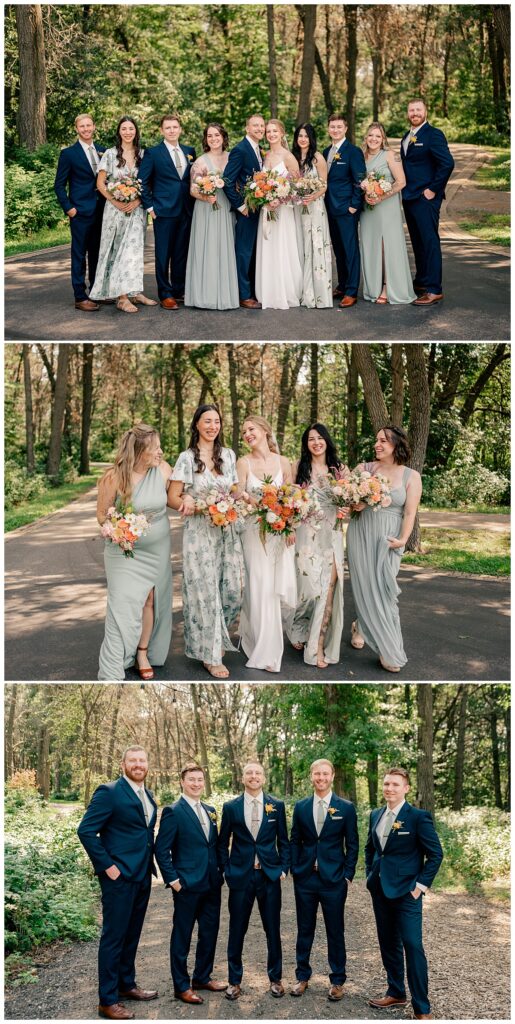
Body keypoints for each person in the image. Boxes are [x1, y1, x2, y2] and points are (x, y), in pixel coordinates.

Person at [77, 745, 158, 1021]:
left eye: (142, 760)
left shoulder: (147, 795)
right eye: (133, 760)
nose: (138, 764)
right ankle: (107, 1000)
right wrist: (108, 867)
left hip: (142, 876)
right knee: (113, 938)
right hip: (119, 878)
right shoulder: (109, 792)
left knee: (131, 934)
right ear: (123, 764)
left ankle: (127, 984)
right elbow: (86, 830)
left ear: (147, 765)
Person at [168, 404, 243, 678]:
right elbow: (172, 498)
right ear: (197, 425)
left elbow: (234, 489)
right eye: (207, 421)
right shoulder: (186, 458)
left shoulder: (229, 456)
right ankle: (211, 655)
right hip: (199, 534)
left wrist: (238, 498)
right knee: (205, 594)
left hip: (227, 532)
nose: (213, 426)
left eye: (216, 421)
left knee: (233, 590)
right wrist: (195, 503)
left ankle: (216, 638)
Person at [365, 767, 443, 1020]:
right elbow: (372, 849)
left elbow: (435, 854)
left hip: (408, 893)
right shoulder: (376, 814)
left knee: (412, 945)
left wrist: (419, 887)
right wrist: (370, 875)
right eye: (387, 784)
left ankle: (422, 1007)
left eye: (395, 785)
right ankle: (396, 992)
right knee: (388, 944)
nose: (389, 788)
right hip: (380, 890)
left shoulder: (418, 817)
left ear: (406, 788)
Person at [97, 423, 173, 681]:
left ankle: (142, 652)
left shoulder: (163, 470)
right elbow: (101, 514)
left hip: (157, 551)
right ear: (140, 452)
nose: (160, 452)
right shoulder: (114, 477)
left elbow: (174, 498)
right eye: (155, 448)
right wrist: (117, 530)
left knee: (150, 600)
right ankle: (113, 666)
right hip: (123, 553)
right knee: (122, 604)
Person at [345, 425, 422, 673]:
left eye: (383, 441)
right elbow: (347, 500)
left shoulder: (411, 476)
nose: (377, 444)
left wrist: (403, 539)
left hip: (389, 539)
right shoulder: (364, 470)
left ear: (397, 445)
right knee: (365, 584)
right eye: (376, 440)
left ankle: (370, 632)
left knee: (386, 591)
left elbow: (410, 512)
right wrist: (355, 504)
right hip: (362, 532)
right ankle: (381, 645)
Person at [155, 762, 227, 1005]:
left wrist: (220, 873)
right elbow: (161, 850)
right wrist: (174, 881)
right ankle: (181, 986)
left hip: (211, 883)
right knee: (182, 935)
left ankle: (202, 977)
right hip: (186, 885)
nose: (196, 783)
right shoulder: (173, 811)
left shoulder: (210, 809)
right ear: (182, 782)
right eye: (192, 779)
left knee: (209, 932)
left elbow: (215, 845)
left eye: (200, 779)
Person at [218, 761, 290, 1001]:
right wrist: (227, 870)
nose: (253, 776)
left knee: (273, 928)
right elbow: (222, 842)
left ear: (264, 777)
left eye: (258, 773)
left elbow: (284, 841)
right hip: (241, 876)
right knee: (237, 929)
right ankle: (234, 981)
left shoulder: (276, 806)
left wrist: (283, 869)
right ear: (242, 777)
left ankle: (276, 978)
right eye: (249, 773)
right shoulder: (231, 807)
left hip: (269, 876)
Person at [290, 758, 359, 1001]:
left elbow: (352, 844)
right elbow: (294, 840)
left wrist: (348, 875)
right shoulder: (300, 807)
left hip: (334, 880)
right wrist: (295, 869)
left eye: (325, 774)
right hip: (306, 878)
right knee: (304, 928)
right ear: (312, 777)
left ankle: (337, 980)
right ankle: (302, 977)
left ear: (332, 776)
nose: (321, 778)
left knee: (335, 930)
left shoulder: (346, 808)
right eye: (317, 774)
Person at [236, 415, 296, 673]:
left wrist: (289, 527)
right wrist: (254, 502)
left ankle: (265, 643)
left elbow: (294, 499)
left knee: (274, 590)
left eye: (251, 429)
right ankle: (265, 651)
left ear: (264, 430)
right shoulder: (243, 463)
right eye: (243, 431)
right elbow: (238, 493)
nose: (247, 434)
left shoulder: (284, 462)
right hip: (253, 531)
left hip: (280, 533)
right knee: (259, 587)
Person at [288, 423, 348, 667]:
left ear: (327, 440)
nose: (316, 442)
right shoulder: (298, 468)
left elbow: (351, 504)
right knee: (308, 591)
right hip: (305, 535)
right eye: (311, 439)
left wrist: (348, 509)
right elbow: (288, 502)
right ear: (306, 444)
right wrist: (289, 529)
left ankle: (316, 649)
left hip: (331, 536)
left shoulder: (340, 470)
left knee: (326, 592)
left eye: (320, 437)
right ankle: (297, 627)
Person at [90, 116, 157, 313]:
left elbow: (148, 183)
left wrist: (138, 201)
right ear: (119, 132)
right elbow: (100, 183)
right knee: (118, 251)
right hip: (115, 209)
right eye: (124, 129)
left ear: (136, 131)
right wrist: (115, 200)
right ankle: (121, 297)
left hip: (137, 210)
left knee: (134, 252)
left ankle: (135, 292)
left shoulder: (143, 154)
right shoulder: (110, 154)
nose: (128, 132)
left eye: (131, 128)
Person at [401, 99, 455, 306]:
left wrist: (433, 189)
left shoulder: (433, 134)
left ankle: (434, 289)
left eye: (418, 110)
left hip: (426, 198)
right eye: (411, 110)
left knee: (430, 242)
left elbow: (447, 163)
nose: (414, 113)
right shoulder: (407, 136)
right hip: (410, 197)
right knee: (418, 242)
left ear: (426, 112)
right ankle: (422, 281)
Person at [139, 114, 196, 309]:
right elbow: (142, 181)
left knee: (181, 252)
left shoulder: (190, 151)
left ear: (180, 129)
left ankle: (179, 290)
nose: (172, 130)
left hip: (186, 210)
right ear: (162, 131)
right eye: (168, 128)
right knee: (163, 254)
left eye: (175, 127)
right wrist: (150, 207)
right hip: (163, 211)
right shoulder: (153, 153)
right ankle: (165, 293)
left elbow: (190, 180)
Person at [359, 122, 416, 305]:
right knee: (371, 246)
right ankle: (373, 288)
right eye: (370, 135)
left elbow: (401, 182)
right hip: (368, 210)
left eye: (378, 136)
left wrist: (381, 196)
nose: (373, 139)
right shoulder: (362, 156)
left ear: (383, 139)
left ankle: (387, 286)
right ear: (366, 138)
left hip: (386, 208)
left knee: (386, 246)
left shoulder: (390, 155)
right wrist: (365, 191)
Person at [54, 113, 105, 311]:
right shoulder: (68, 154)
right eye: (82, 126)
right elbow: (59, 185)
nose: (86, 129)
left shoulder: (103, 151)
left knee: (96, 254)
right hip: (80, 211)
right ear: (77, 129)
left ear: (94, 127)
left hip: (101, 210)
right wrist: (69, 209)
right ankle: (80, 296)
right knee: (79, 254)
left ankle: (95, 292)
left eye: (89, 125)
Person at [185, 122, 239, 309]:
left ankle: (226, 296)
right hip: (207, 208)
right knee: (207, 248)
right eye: (210, 136)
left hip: (225, 207)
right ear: (206, 139)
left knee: (225, 248)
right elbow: (192, 190)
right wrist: (205, 196)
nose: (214, 139)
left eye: (217, 135)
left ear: (223, 137)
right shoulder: (200, 161)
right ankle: (204, 296)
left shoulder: (233, 158)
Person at [255, 118, 303, 310]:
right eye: (268, 131)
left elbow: (297, 185)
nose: (271, 134)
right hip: (267, 209)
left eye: (275, 131)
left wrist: (279, 199)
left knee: (282, 247)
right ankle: (268, 291)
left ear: (282, 133)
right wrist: (265, 198)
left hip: (283, 211)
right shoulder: (265, 156)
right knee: (268, 247)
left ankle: (284, 292)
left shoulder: (288, 156)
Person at [323, 112, 366, 308]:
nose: (335, 130)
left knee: (350, 250)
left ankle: (351, 290)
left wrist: (353, 206)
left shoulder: (353, 151)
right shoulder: (325, 152)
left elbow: (359, 180)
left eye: (339, 127)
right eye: (332, 127)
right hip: (329, 208)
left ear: (346, 129)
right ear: (328, 128)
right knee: (338, 249)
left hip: (346, 208)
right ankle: (341, 284)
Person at [224, 113, 266, 308]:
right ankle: (244, 295)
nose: (259, 129)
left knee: (254, 252)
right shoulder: (240, 150)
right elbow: (227, 181)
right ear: (247, 128)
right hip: (246, 211)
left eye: (261, 126)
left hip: (258, 209)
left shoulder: (259, 150)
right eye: (255, 126)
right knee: (244, 252)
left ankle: (254, 291)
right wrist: (240, 206)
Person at [292, 123, 332, 308]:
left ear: (311, 138)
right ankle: (300, 290)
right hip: (297, 207)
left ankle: (318, 294)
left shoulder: (317, 158)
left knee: (314, 246)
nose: (303, 139)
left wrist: (312, 195)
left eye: (306, 136)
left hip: (314, 206)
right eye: (300, 135)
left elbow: (324, 185)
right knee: (300, 245)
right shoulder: (292, 157)